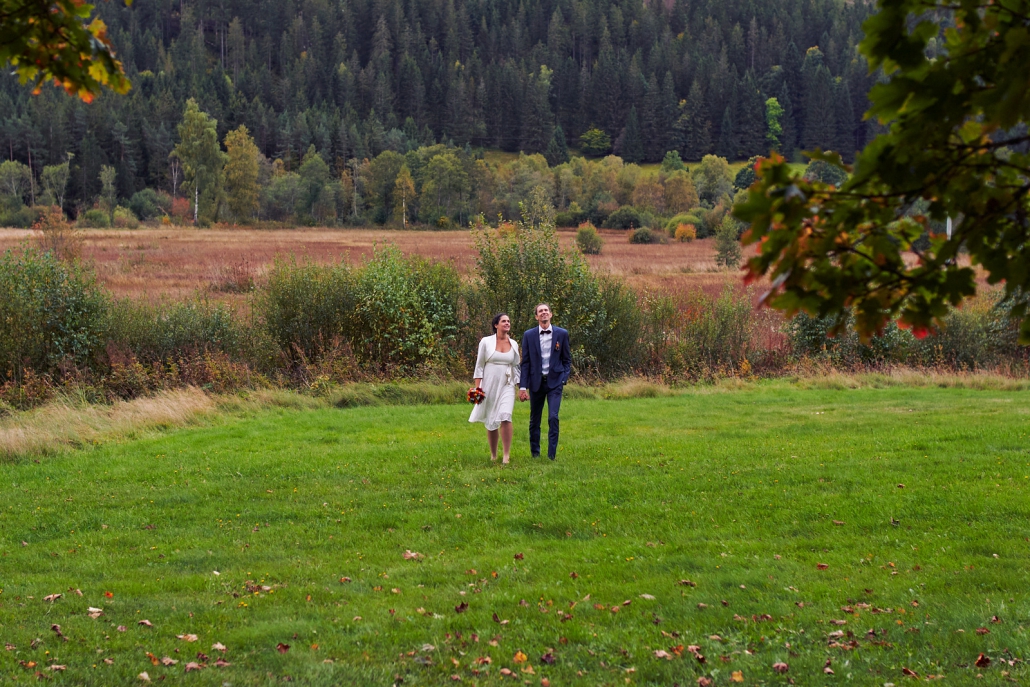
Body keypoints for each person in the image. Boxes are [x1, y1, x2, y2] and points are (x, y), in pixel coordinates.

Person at [518, 303, 571, 460]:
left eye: (546, 310)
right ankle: (535, 453)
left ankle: (551, 455)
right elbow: (525, 363)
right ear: (536, 316)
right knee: (535, 420)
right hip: (536, 382)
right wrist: (523, 386)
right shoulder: (529, 335)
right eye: (540, 311)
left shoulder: (562, 334)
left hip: (555, 382)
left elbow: (567, 359)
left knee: (553, 417)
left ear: (551, 314)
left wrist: (563, 379)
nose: (543, 313)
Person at [469, 313, 521, 464]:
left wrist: (521, 387)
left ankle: (506, 455)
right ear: (496, 325)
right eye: (503, 321)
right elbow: (479, 366)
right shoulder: (486, 342)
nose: (507, 323)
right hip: (489, 384)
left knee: (506, 415)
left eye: (508, 321)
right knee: (491, 419)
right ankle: (493, 455)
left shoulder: (514, 344)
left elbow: (516, 367)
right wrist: (477, 389)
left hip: (507, 384)